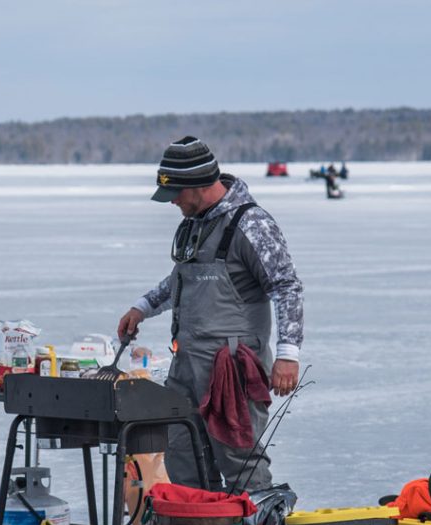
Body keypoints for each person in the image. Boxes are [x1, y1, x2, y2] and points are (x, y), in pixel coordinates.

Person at [117, 136, 304, 494]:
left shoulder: (252, 224)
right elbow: (182, 278)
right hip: (187, 364)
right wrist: (142, 307)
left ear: (197, 185)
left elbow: (286, 287)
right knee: (183, 453)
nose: (172, 202)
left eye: (175, 193)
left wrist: (287, 355)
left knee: (239, 459)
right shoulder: (194, 223)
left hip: (231, 367)